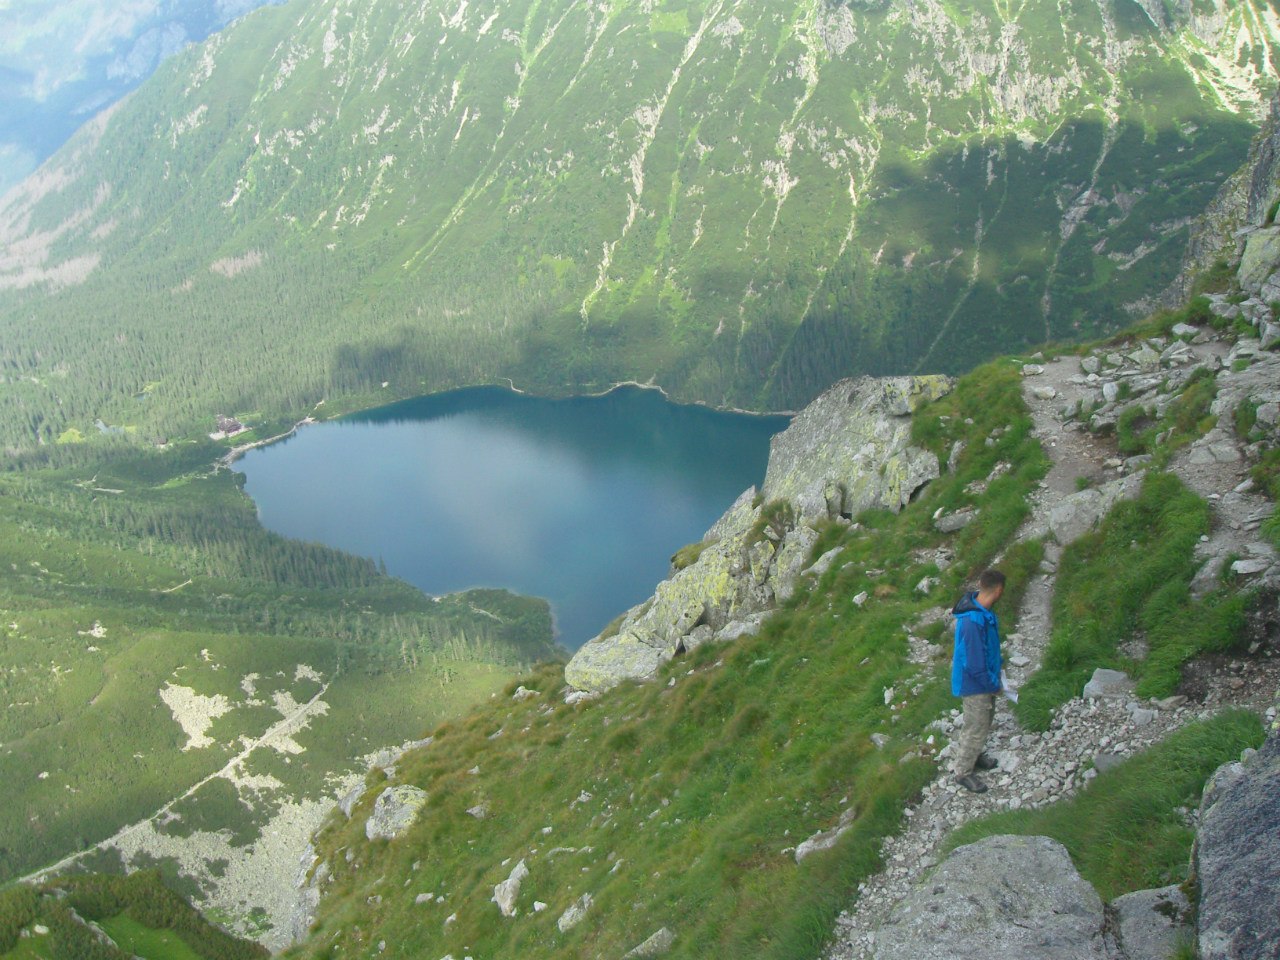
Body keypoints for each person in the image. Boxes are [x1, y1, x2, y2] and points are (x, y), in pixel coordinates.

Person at [949, 568, 1006, 793]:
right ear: (999, 590)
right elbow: (974, 663)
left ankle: (975, 755)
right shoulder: (973, 621)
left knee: (983, 721)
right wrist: (993, 683)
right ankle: (963, 772)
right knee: (976, 725)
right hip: (976, 684)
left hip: (985, 680)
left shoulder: (982, 612)